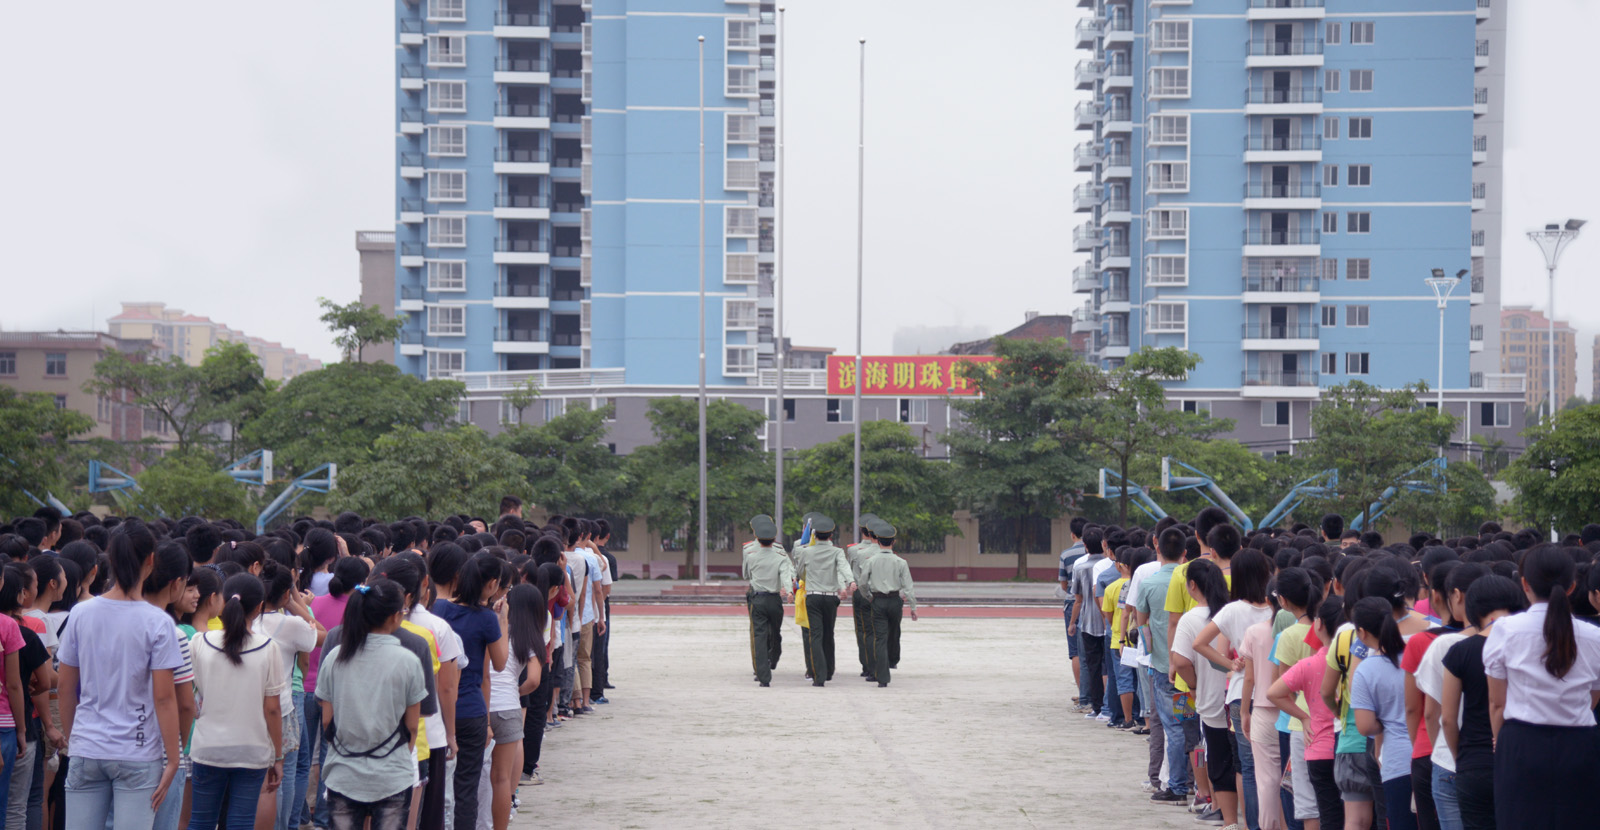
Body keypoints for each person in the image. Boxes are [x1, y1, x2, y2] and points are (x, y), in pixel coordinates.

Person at [57, 521, 184, 830]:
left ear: (109, 559)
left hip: (87, 746)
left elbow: (65, 687)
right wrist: (173, 758)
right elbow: (165, 698)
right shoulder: (158, 622)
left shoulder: (80, 614)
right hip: (139, 751)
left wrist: (78, 739)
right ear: (151, 560)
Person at [1481, 545, 1600, 828]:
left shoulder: (1506, 630)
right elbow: (1592, 697)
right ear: (1573, 586)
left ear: (1524, 584)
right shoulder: (1595, 636)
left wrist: (1503, 743)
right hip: (1580, 747)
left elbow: (1497, 703)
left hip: (1521, 745)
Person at [316, 579, 426, 830]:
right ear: (395, 617)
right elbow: (412, 727)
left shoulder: (336, 657)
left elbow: (326, 721)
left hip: (343, 772)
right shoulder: (408, 661)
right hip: (392, 775)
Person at [186, 573, 285, 830]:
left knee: (201, 820)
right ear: (259, 606)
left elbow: (190, 697)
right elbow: (272, 709)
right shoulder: (267, 647)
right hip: (251, 749)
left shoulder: (200, 642)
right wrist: (278, 755)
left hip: (207, 747)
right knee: (241, 822)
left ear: (223, 602)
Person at [429, 547, 506, 830]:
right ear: (492, 583)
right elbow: (498, 664)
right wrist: (503, 620)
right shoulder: (487, 619)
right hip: (471, 709)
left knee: (435, 787)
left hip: (436, 708)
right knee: (466, 789)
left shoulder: (438, 609)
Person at [1441, 576, 1522, 830]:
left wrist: (1461, 758)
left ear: (1473, 608)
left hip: (1474, 763)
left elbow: (1447, 719)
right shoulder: (1528, 646)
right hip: (1522, 757)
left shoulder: (1460, 651)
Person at [1350, 596, 1415, 830]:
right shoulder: (1418, 653)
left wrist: (1384, 722)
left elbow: (1365, 726)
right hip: (1431, 755)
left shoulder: (1366, 669)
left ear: (1361, 632)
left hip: (1396, 761)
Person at [487, 584, 543, 830]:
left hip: (480, 705)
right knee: (501, 780)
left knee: (476, 776)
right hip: (508, 707)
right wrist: (516, 692)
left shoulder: (491, 626)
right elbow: (533, 680)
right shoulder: (530, 638)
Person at [792, 514, 854, 687]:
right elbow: (844, 568)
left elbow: (800, 572)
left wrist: (810, 578)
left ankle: (819, 675)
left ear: (814, 535)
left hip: (812, 596)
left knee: (816, 635)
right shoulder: (837, 552)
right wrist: (851, 582)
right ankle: (829, 670)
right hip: (830, 598)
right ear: (831, 536)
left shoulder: (806, 551)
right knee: (829, 633)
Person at [856, 519, 918, 688]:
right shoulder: (901, 562)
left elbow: (862, 583)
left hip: (877, 600)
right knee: (894, 632)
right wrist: (913, 607)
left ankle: (882, 676)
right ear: (894, 542)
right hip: (895, 600)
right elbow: (908, 586)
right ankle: (892, 660)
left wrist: (868, 596)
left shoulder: (871, 560)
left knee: (880, 638)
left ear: (877, 539)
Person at [742, 516, 793, 688]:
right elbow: (786, 574)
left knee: (760, 636)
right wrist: (790, 591)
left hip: (758, 597)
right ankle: (773, 657)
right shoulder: (780, 555)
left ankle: (764, 677)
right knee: (775, 632)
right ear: (774, 539)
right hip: (774, 599)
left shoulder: (750, 554)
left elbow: (746, 575)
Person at [846, 517, 881, 680]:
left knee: (862, 630)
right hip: (879, 593)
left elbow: (851, 572)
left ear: (862, 531)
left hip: (861, 592)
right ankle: (879, 663)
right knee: (878, 630)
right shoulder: (883, 550)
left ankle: (866, 665)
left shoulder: (854, 550)